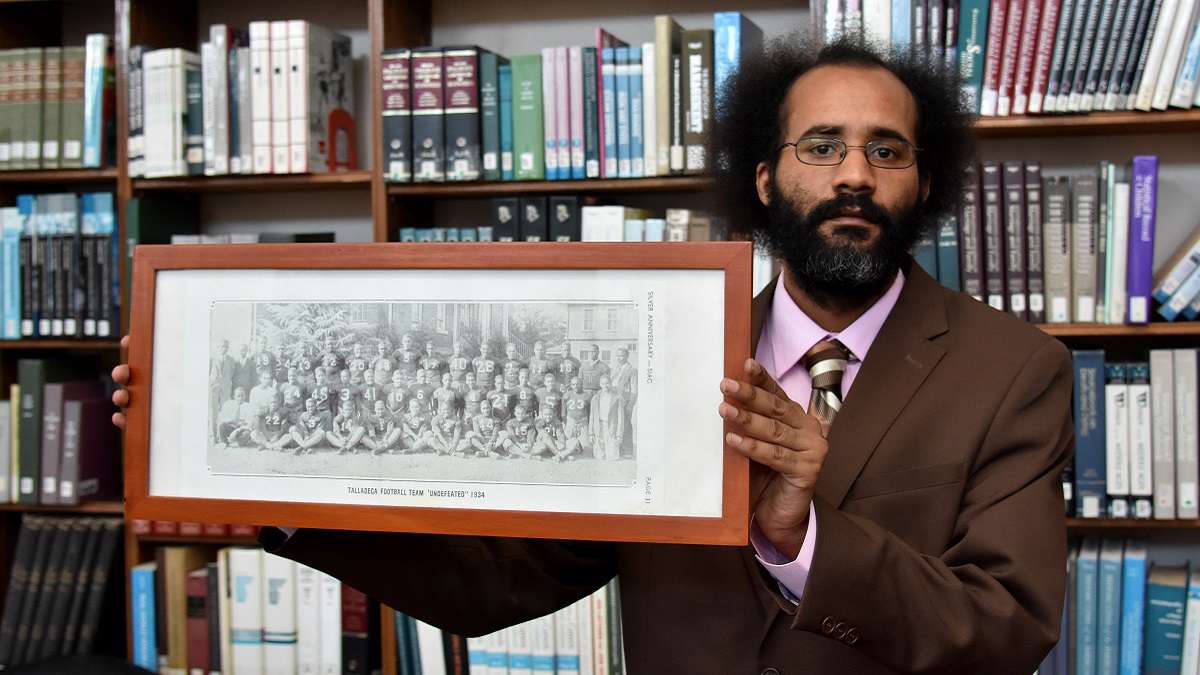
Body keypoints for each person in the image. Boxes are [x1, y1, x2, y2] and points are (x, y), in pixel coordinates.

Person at [113, 36, 1071, 674]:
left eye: (887, 151)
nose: (855, 174)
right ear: (764, 177)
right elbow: (501, 582)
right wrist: (270, 485)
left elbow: (1008, 628)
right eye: (821, 146)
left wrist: (800, 537)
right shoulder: (672, 357)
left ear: (924, 184)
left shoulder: (1011, 371)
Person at [588, 374, 624, 461]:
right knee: (599, 457)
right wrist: (591, 433)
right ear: (600, 384)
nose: (605, 386)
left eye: (607, 383)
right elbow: (592, 417)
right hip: (599, 427)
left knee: (612, 458)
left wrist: (619, 434)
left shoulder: (617, 398)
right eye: (603, 384)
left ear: (611, 383)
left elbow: (620, 418)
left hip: (611, 427)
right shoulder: (595, 398)